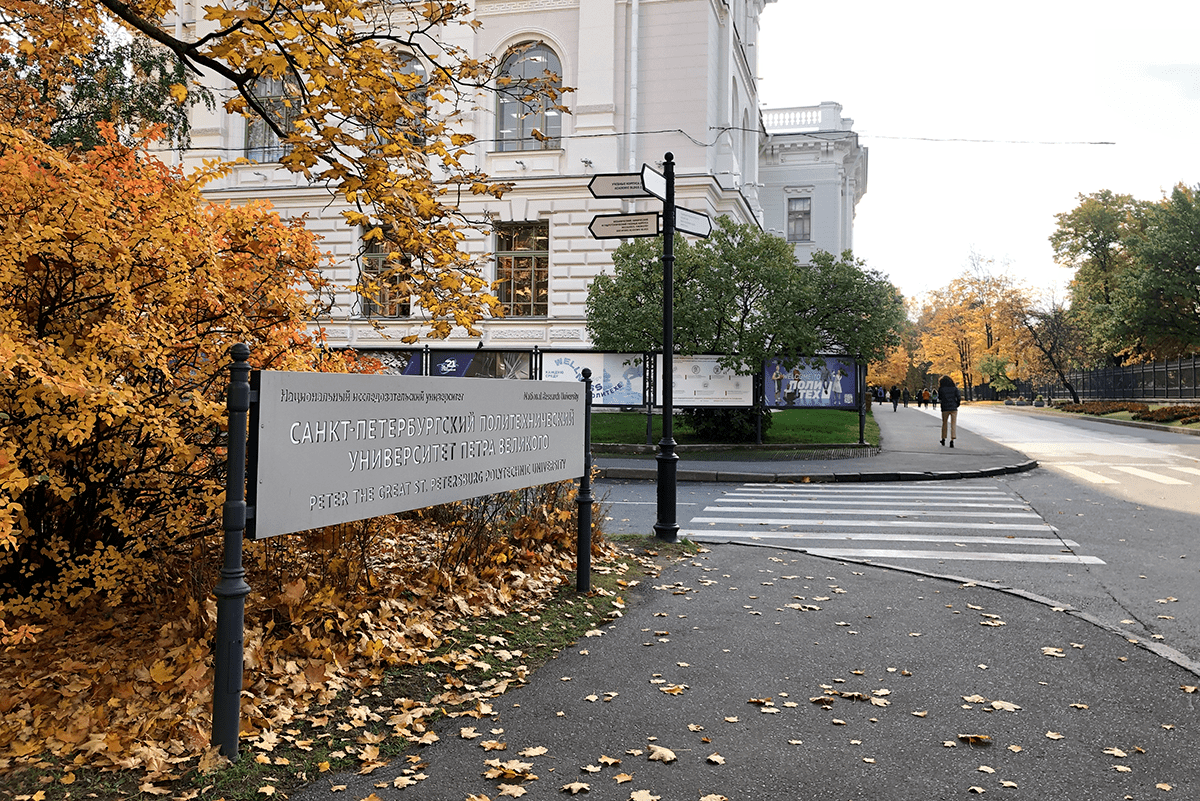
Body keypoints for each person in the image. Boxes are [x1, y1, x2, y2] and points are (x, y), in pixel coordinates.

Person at [937, 374, 962, 447]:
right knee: (953, 424)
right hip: (953, 408)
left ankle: (943, 439)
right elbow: (958, 397)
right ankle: (952, 440)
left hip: (945, 408)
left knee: (944, 423)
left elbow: (940, 397)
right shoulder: (954, 388)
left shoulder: (941, 388)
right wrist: (957, 404)